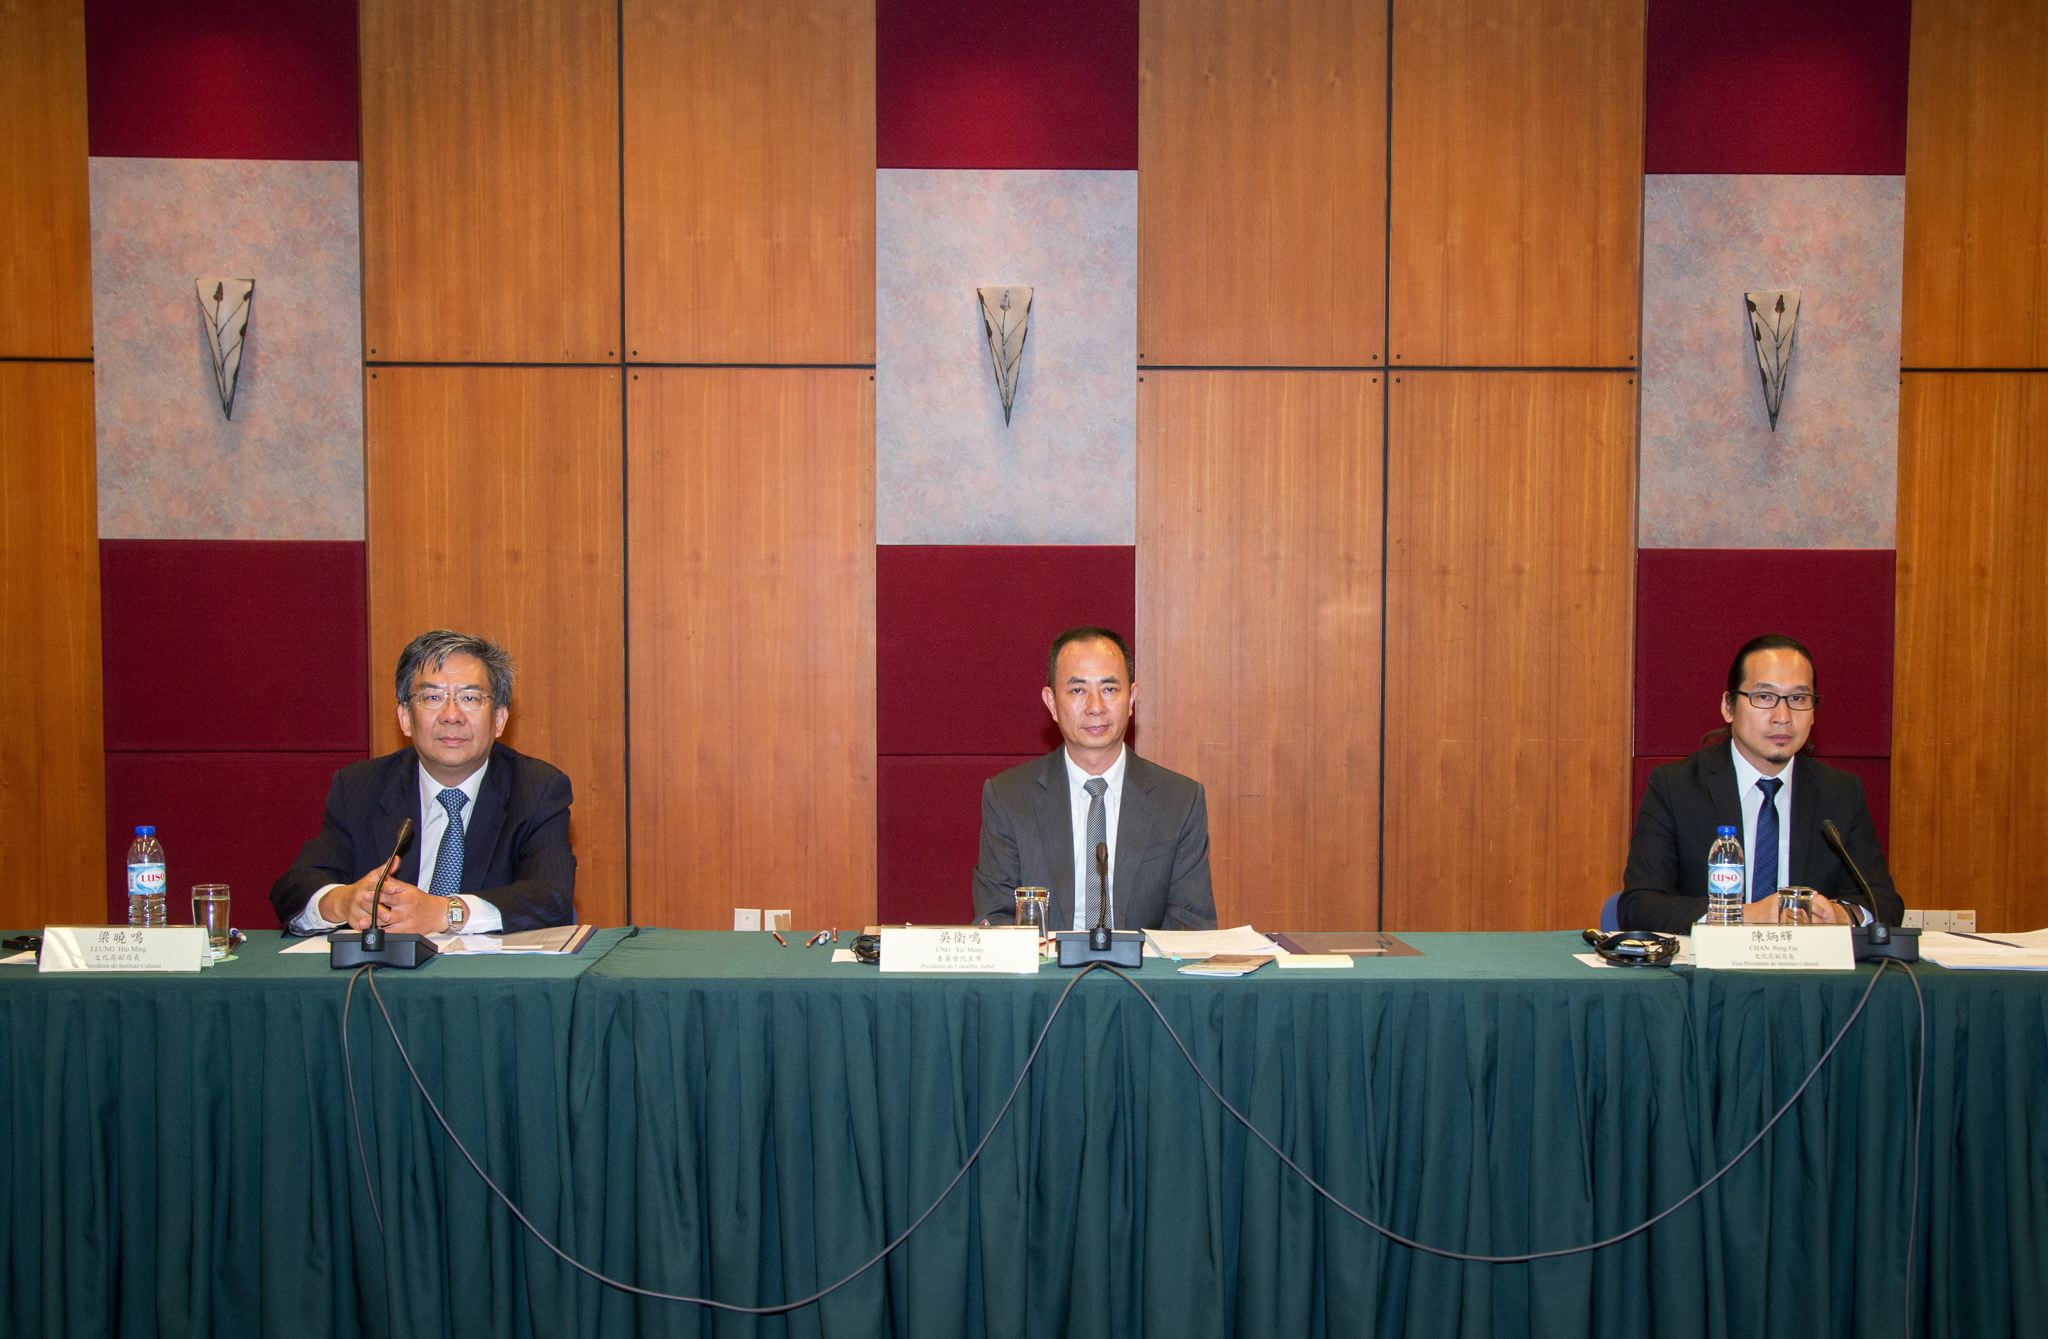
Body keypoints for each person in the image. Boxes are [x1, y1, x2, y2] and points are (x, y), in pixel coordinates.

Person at [270, 629, 576, 935]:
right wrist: (342, 901)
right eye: (432, 697)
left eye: (470, 698)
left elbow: (550, 896)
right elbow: (295, 887)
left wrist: (445, 912)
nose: (451, 715)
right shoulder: (360, 786)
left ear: (499, 719)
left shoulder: (537, 789)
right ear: (405, 717)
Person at [1618, 633, 1903, 934]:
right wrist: (1744, 915)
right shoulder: (1676, 787)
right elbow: (1639, 906)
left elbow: (1884, 903)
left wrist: (1842, 915)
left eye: (1798, 699)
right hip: (1713, 963)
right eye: (1764, 697)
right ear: (1728, 707)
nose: (1783, 717)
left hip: (1807, 963)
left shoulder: (1840, 793)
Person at [970, 626, 1217, 931]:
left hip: (1141, 963)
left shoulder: (1179, 800)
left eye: (1109, 689)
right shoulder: (1009, 797)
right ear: (1051, 703)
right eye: (1078, 690)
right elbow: (997, 919)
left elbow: (1190, 928)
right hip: (1046, 962)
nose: (1096, 707)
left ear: (1131, 699)